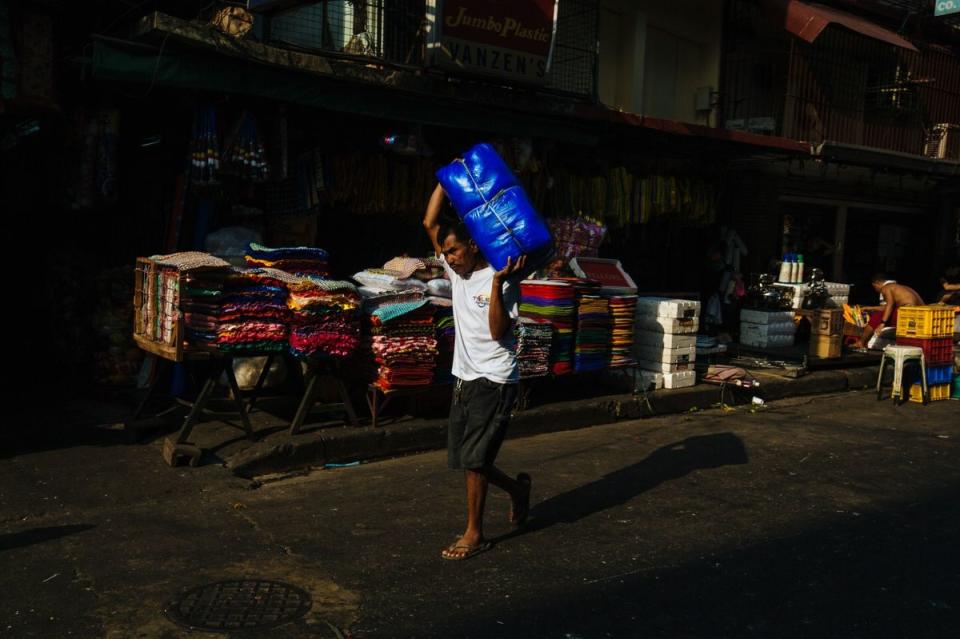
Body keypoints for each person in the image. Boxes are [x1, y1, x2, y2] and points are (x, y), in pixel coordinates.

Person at [422, 183, 532, 561]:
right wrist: (446, 180)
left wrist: (500, 285)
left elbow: (498, 332)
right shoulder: (457, 274)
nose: (448, 259)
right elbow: (429, 221)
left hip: (496, 379)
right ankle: (517, 490)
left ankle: (475, 533)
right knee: (470, 457)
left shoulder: (502, 276)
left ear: (472, 245)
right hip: (464, 378)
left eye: (454, 251)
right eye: (446, 252)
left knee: (474, 458)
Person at [855, 273, 924, 349]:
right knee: (883, 314)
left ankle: (861, 342)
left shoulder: (886, 288)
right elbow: (889, 307)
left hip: (907, 312)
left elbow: (890, 305)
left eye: (874, 287)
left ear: (877, 283)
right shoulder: (902, 287)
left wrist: (882, 323)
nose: (875, 290)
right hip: (919, 313)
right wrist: (871, 308)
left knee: (876, 317)